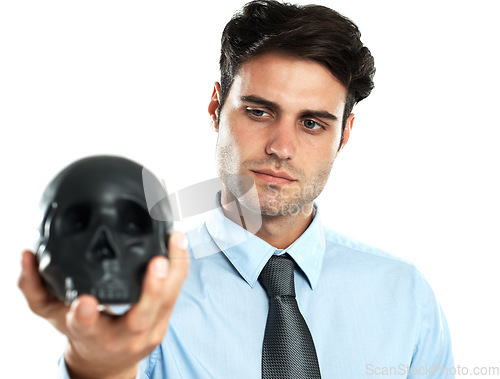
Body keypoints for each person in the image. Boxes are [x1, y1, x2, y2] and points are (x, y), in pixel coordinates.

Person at [19, 0, 454, 377]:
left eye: (312, 123)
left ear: (344, 134)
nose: (282, 148)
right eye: (260, 112)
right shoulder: (139, 288)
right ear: (216, 107)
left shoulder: (405, 295)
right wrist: (98, 366)